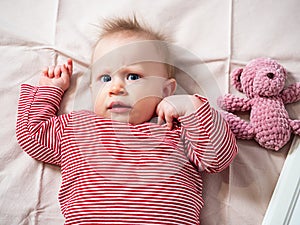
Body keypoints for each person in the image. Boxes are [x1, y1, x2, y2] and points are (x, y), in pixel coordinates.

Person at [16, 16, 238, 225]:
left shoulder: (176, 128)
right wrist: (49, 90)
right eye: (105, 78)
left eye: (133, 76)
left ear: (166, 90)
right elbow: (33, 134)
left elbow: (219, 158)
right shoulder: (78, 127)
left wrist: (193, 108)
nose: (115, 88)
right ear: (92, 91)